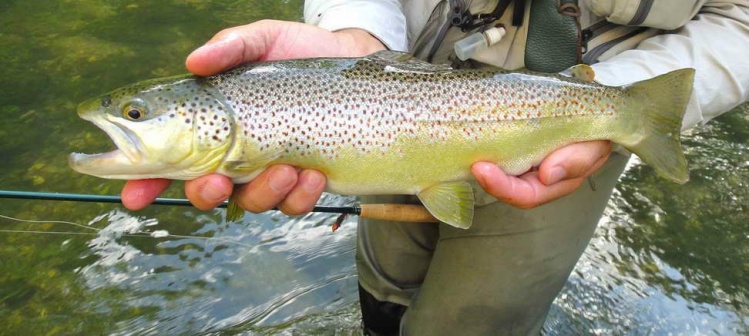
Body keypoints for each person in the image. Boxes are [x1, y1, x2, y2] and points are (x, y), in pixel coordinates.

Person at [120, 0, 749, 334]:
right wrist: (351, 33)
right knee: (385, 278)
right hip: (384, 79)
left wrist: (624, 102)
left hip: (575, 116)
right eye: (138, 112)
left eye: (137, 113)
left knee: (476, 317)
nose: (131, 121)